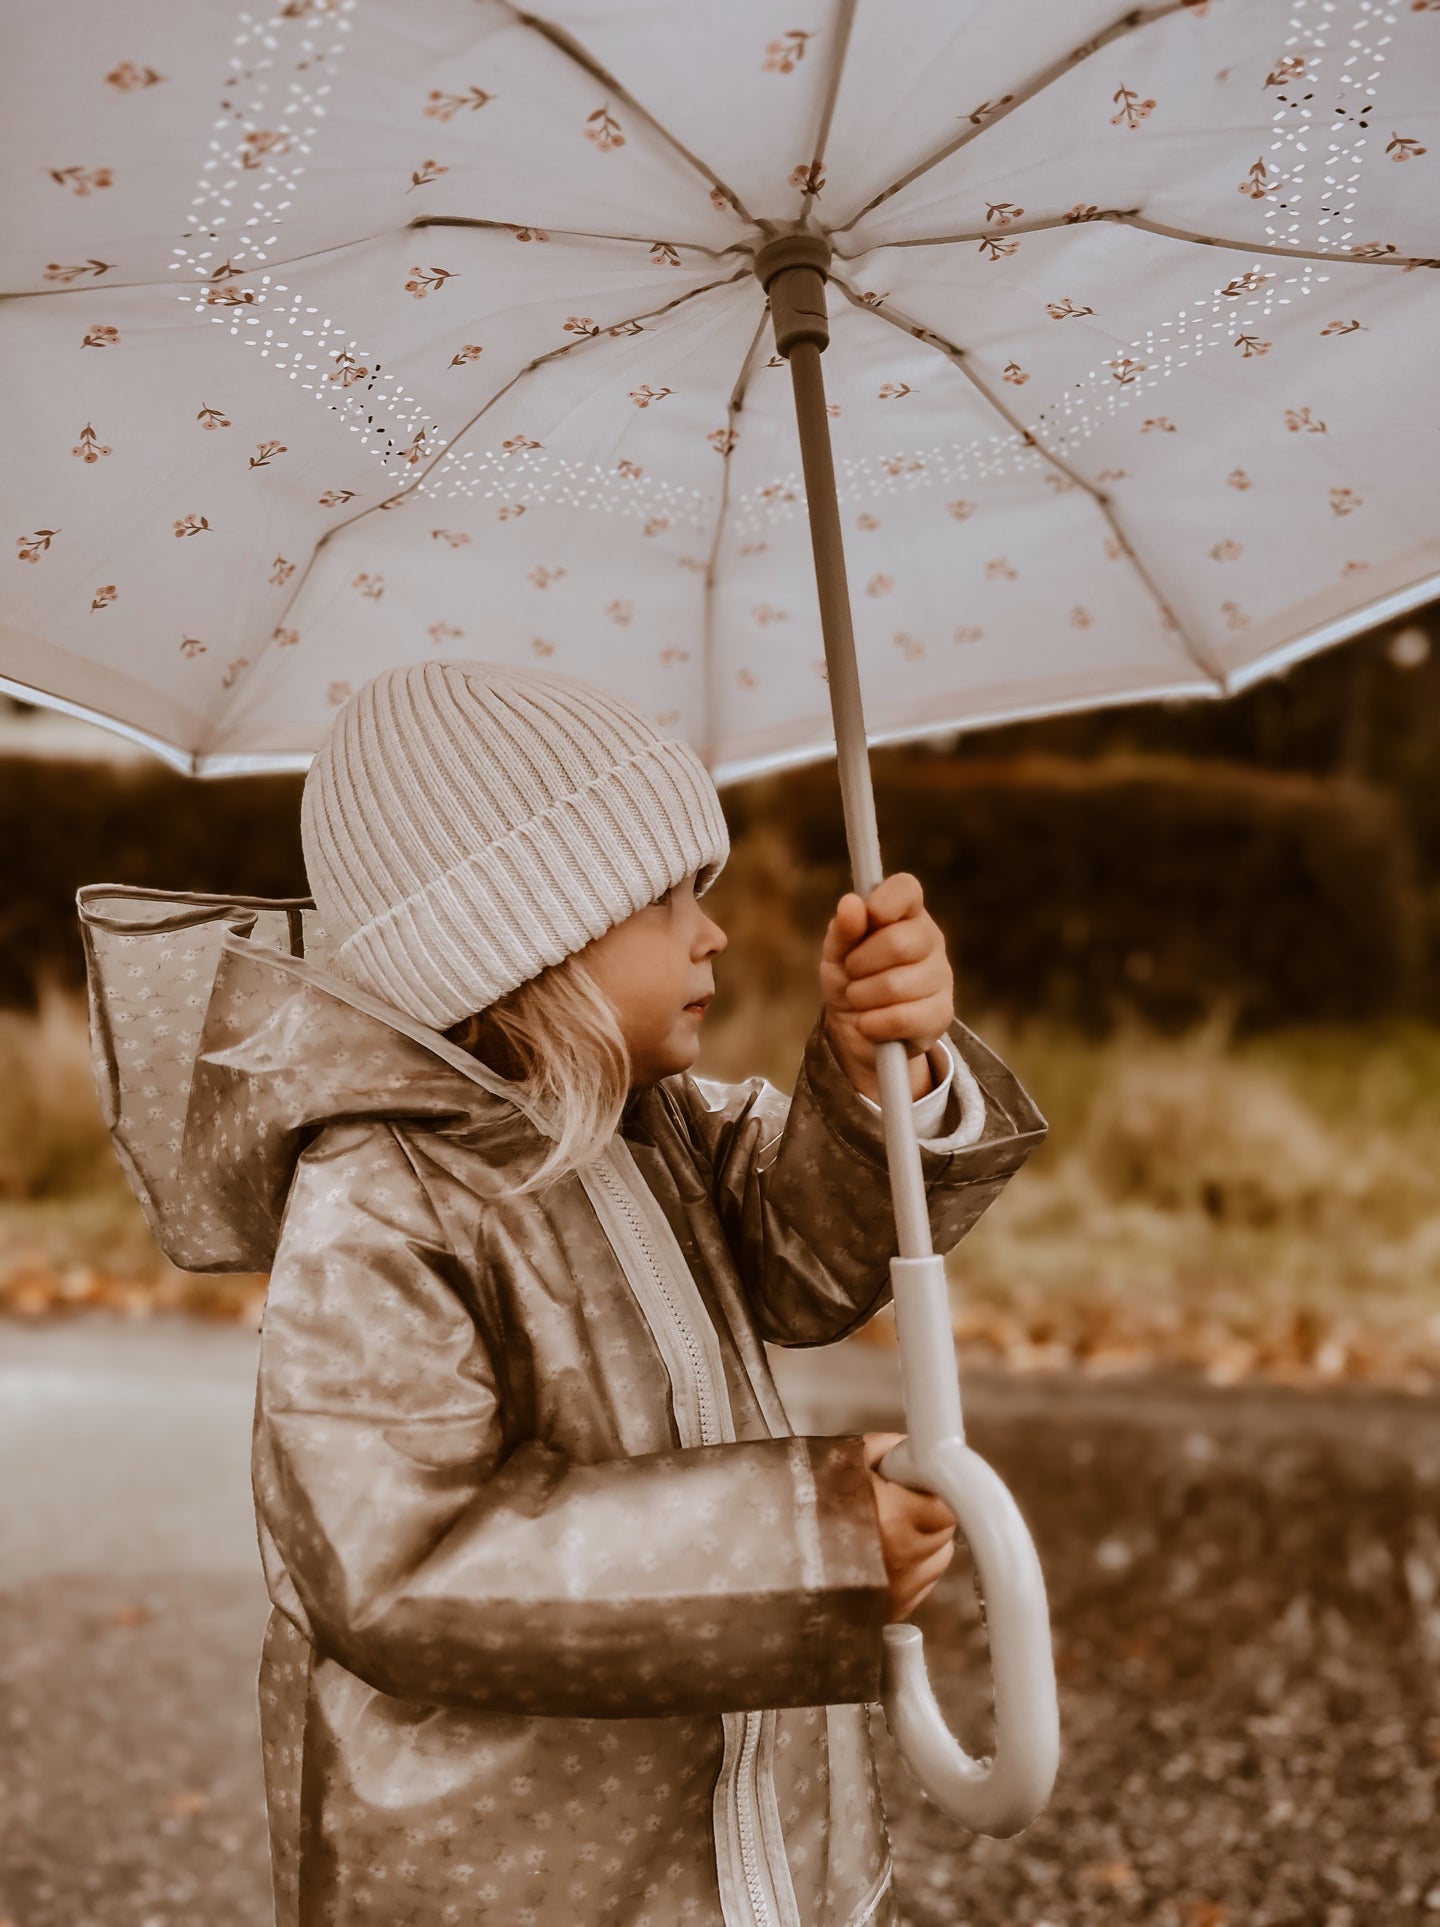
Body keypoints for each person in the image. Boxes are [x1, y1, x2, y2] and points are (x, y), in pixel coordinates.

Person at [233, 659, 1047, 1925]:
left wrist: (882, 1067)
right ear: (526, 936)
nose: (710, 931)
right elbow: (401, 1565)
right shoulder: (377, 1203)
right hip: (521, 1882)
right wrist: (811, 1547)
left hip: (734, 1843)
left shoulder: (649, 1126)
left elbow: (803, 1254)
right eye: (666, 897)